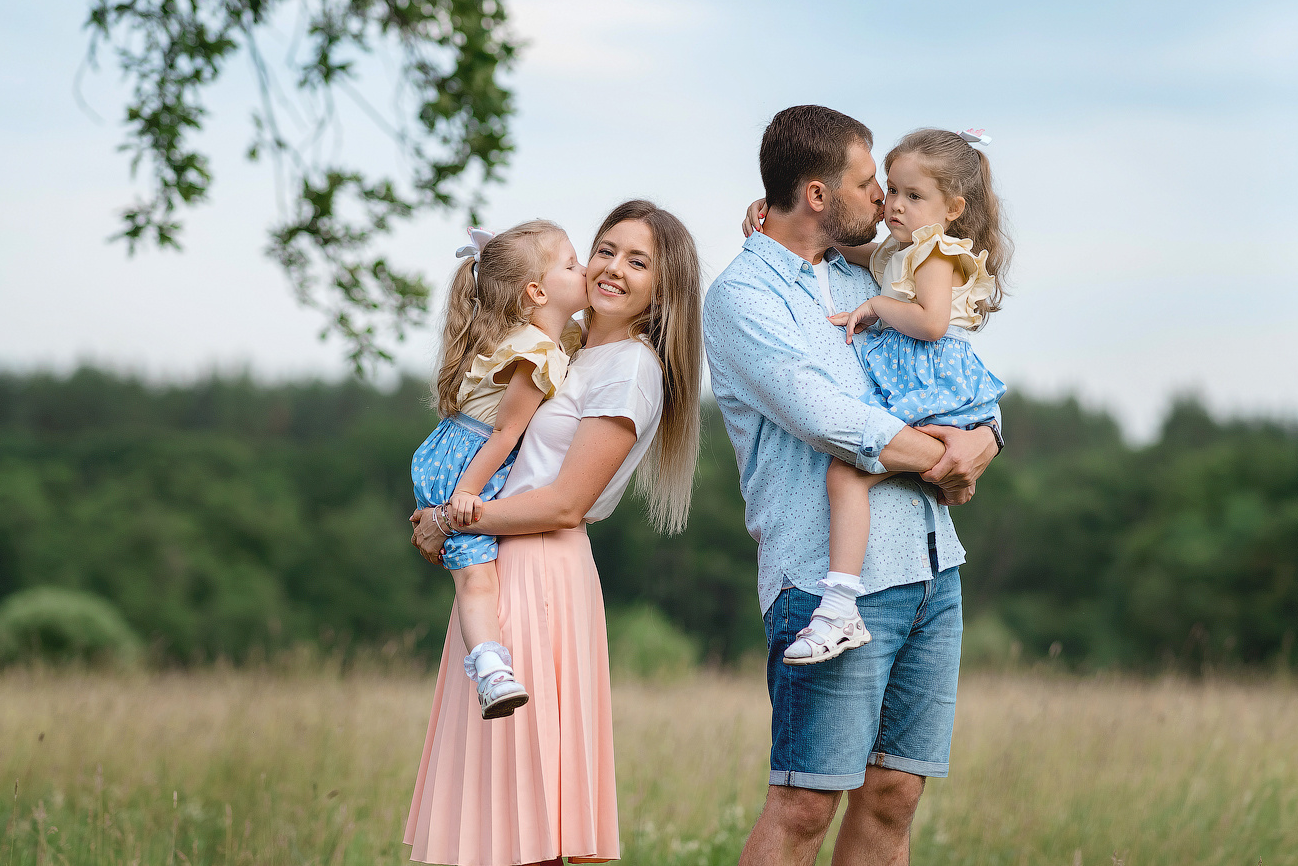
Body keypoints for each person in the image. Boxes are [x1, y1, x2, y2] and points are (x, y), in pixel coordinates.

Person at [704, 105, 1001, 866]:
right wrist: (943, 459)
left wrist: (987, 436)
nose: (882, 200)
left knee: (895, 797)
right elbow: (829, 418)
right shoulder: (744, 299)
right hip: (830, 584)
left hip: (933, 569)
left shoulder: (870, 270)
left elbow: (952, 372)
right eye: (868, 184)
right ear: (815, 194)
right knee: (805, 803)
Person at [404, 200, 703, 866]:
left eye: (638, 261)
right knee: (496, 815)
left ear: (664, 288)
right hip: (495, 562)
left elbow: (566, 503)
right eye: (604, 250)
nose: (612, 269)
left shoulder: (628, 368)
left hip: (541, 570)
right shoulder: (563, 350)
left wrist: (449, 517)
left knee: (527, 814)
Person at [742, 128, 1011, 666]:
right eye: (887, 189)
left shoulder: (933, 254)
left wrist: (877, 309)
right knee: (849, 470)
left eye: (912, 196)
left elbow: (932, 325)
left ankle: (839, 606)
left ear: (953, 208)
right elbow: (836, 245)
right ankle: (839, 603)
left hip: (931, 403)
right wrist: (771, 214)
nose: (890, 204)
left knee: (846, 475)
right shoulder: (893, 253)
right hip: (918, 404)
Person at [411, 220, 589, 719]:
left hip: (461, 452)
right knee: (476, 578)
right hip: (468, 462)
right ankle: (490, 668)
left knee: (475, 572)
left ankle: (490, 662)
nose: (586, 270)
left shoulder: (545, 339)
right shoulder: (534, 352)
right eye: (572, 265)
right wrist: (464, 497)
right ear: (536, 291)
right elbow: (505, 435)